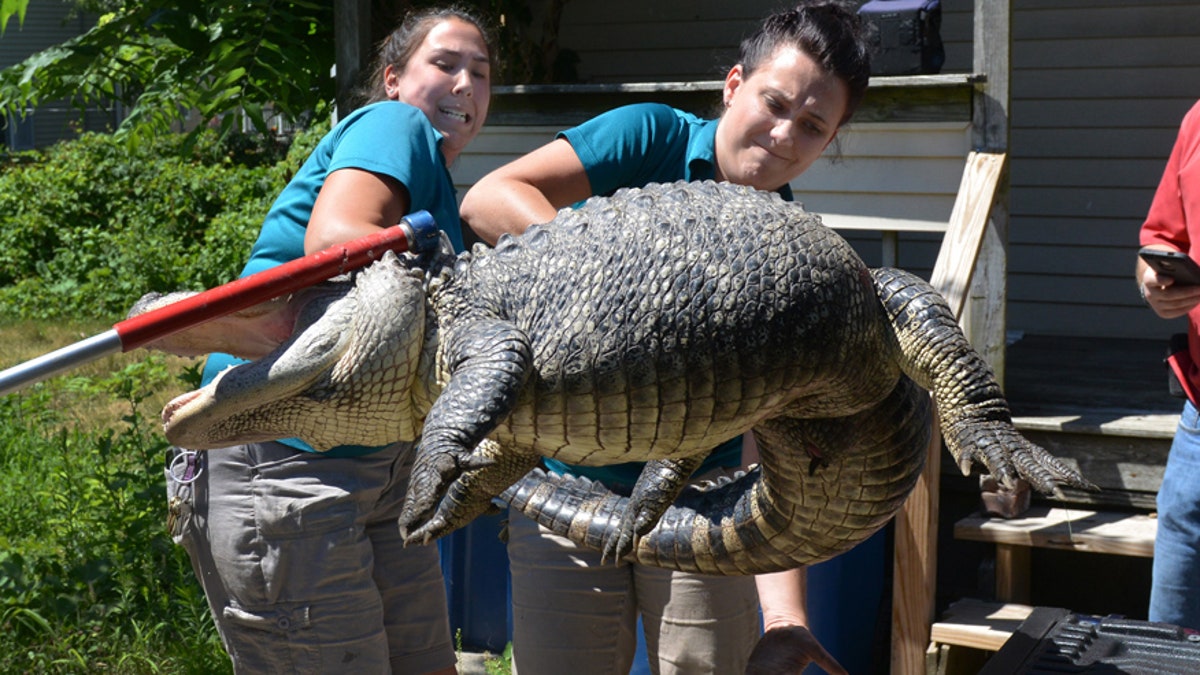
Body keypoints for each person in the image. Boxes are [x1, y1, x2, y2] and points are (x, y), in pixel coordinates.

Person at [459, 2, 869, 673]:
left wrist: (786, 616)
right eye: (773, 102)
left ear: (828, 144)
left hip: (700, 508)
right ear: (734, 84)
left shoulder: (794, 257)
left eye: (813, 126)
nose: (783, 133)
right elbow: (488, 200)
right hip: (564, 487)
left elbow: (777, 443)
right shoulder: (646, 134)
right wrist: (618, 277)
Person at [159, 7, 494, 673]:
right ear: (393, 79)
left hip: (380, 464)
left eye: (481, 74)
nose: (466, 85)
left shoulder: (433, 177)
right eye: (446, 64)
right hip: (284, 456)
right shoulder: (394, 123)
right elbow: (336, 241)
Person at [1137, 98, 1200, 631]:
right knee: (1169, 638)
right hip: (1198, 417)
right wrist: (1153, 281)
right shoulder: (1198, 121)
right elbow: (1160, 238)